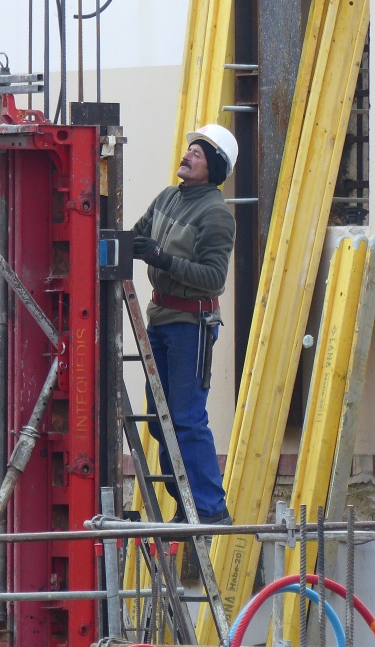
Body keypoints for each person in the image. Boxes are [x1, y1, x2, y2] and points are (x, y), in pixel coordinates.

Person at [131, 123, 238, 526]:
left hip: (190, 325)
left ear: (213, 166)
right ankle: (187, 506)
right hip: (160, 320)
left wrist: (161, 258)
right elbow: (138, 237)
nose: (188, 153)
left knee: (186, 417)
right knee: (162, 417)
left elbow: (214, 278)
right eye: (189, 147)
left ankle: (210, 508)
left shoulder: (215, 214)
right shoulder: (168, 198)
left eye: (198, 151)